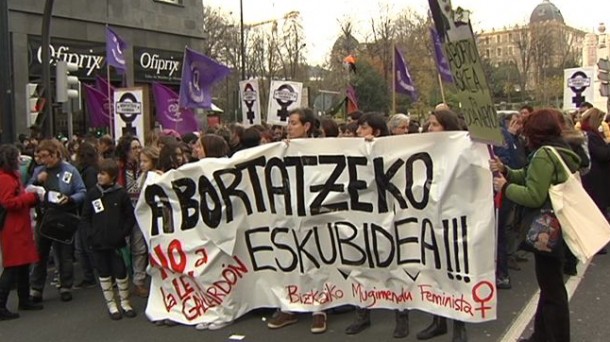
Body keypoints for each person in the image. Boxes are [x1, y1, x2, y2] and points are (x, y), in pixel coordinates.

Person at [491, 108, 578, 342]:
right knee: (551, 287)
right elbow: (531, 176)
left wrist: (505, 187)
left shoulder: (542, 155)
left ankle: (554, 336)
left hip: (545, 228)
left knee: (551, 290)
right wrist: (507, 171)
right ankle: (542, 334)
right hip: (558, 224)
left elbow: (533, 194)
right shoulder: (558, 149)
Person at [345, 112, 409, 339]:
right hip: (362, 217)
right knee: (360, 265)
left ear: (377, 132)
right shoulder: (352, 150)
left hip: (389, 217)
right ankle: (362, 313)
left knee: (394, 267)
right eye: (358, 128)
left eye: (363, 128)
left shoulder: (393, 151)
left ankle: (401, 315)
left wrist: (379, 149)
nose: (358, 132)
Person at [266, 108, 327, 334]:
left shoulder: (324, 147)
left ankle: (319, 309)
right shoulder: (280, 149)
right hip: (287, 213)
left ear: (307, 126)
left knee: (315, 258)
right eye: (288, 123)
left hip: (314, 213)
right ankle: (288, 306)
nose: (288, 127)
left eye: (293, 123)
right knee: (287, 258)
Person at [417, 109, 467, 342]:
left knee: (456, 272)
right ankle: (438, 321)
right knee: (433, 270)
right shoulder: (424, 147)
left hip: (455, 219)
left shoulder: (463, 150)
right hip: (429, 218)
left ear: (447, 127)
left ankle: (460, 326)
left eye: (435, 124)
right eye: (429, 124)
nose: (430, 129)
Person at [29, 139, 87, 303]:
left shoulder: (70, 171)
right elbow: (28, 190)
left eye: (46, 156)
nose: (43, 160)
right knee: (40, 254)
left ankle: (65, 285)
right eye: (40, 157)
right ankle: (36, 288)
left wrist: (70, 199)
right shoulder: (39, 171)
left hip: (63, 216)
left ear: (56, 154)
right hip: (44, 217)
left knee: (64, 254)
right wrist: (36, 182)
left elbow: (82, 191)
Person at [80, 158, 136, 320]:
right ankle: (111, 304)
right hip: (98, 242)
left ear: (112, 177)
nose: (99, 177)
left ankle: (125, 302)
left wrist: (122, 233)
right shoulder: (93, 193)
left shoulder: (121, 194)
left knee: (120, 271)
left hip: (117, 242)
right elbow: (85, 217)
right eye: (99, 173)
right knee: (104, 272)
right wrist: (90, 234)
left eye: (103, 174)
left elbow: (130, 217)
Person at [0, 144, 44, 320]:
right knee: (12, 266)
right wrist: (30, 197)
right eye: (17, 157)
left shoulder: (12, 177)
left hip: (19, 224)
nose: (20, 160)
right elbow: (8, 202)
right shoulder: (5, 178)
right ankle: (1, 304)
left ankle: (24, 299)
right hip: (13, 226)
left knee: (23, 264)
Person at [579, 107, 610, 255]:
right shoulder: (591, 136)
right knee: (598, 210)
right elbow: (602, 154)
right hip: (596, 178)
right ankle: (597, 242)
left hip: (597, 177)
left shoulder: (589, 134)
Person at [73, 142, 100, 289]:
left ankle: (91, 276)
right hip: (87, 212)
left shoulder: (87, 172)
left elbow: (89, 193)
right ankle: (94, 274)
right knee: (84, 246)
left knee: (84, 247)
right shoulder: (92, 170)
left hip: (85, 212)